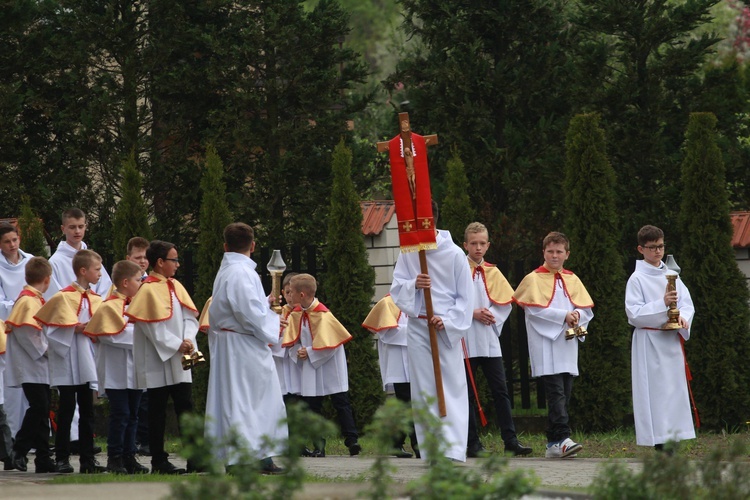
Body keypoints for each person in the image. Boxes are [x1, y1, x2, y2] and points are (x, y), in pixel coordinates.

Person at [389, 202, 474, 462]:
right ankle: (432, 449)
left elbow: (465, 297)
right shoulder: (409, 252)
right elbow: (396, 288)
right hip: (418, 325)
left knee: (451, 386)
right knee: (424, 387)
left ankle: (453, 448)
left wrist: (447, 321)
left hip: (444, 328)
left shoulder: (455, 254)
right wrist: (414, 284)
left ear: (431, 222)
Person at [205, 223, 287, 474]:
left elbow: (239, 306)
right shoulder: (240, 272)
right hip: (242, 347)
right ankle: (244, 459)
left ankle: (256, 457)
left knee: (252, 402)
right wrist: (274, 323)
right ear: (252, 245)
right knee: (246, 402)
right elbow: (246, 312)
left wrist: (265, 305)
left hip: (239, 343)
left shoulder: (231, 270)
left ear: (225, 246)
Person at [513, 232, 593, 459]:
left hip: (567, 343)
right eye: (550, 251)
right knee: (556, 393)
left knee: (564, 393)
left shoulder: (573, 279)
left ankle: (552, 444)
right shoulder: (533, 279)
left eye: (559, 252)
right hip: (546, 343)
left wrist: (577, 314)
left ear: (567, 254)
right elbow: (534, 310)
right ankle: (563, 438)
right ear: (543, 253)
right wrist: (564, 315)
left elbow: (586, 308)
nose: (554, 256)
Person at [125, 240, 199, 475]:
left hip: (180, 358)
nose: (177, 264)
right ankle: (159, 460)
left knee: (186, 407)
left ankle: (195, 457)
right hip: (158, 358)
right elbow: (150, 328)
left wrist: (188, 339)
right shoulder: (146, 289)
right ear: (160, 262)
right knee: (156, 411)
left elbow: (190, 317)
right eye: (173, 260)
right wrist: (178, 344)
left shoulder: (176, 286)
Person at [462, 222, 532, 458]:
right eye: (474, 243)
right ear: (466, 245)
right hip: (466, 340)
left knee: (500, 391)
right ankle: (472, 443)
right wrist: (472, 313)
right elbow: (451, 302)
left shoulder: (493, 271)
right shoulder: (458, 269)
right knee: (468, 393)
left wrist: (491, 316)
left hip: (489, 340)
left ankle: (510, 440)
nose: (478, 248)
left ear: (488, 244)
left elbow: (505, 302)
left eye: (482, 243)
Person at [34, 249, 105, 473]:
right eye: (97, 269)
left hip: (85, 358)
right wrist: (73, 329)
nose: (100, 273)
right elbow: (50, 328)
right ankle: (62, 458)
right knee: (66, 410)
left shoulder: (96, 298)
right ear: (83, 271)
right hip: (67, 358)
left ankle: (87, 460)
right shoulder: (63, 297)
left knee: (87, 410)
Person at [625, 225, 696, 450]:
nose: (658, 251)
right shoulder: (636, 279)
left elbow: (687, 303)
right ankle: (660, 442)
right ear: (640, 249)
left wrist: (683, 318)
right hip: (650, 342)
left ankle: (674, 439)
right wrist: (662, 304)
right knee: (656, 394)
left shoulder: (672, 274)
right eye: (652, 247)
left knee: (673, 392)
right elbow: (634, 314)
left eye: (661, 246)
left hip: (671, 342)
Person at [282, 273, 361, 457]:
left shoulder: (324, 315)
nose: (288, 295)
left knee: (341, 402)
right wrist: (298, 352)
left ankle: (352, 440)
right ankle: (319, 446)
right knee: (313, 406)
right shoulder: (295, 314)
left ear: (302, 294)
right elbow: (291, 342)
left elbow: (331, 345)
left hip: (330, 365)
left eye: (291, 292)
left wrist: (308, 352)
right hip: (311, 366)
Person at [84, 260, 149, 474]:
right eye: (138, 280)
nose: (141, 283)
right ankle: (115, 457)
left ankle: (130, 456)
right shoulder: (109, 306)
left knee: (133, 415)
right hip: (116, 371)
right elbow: (110, 335)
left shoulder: (136, 304)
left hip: (135, 370)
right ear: (125, 282)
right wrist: (142, 338)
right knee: (120, 414)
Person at [4, 257, 54, 473]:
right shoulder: (27, 301)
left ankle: (43, 457)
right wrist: (47, 351)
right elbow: (27, 333)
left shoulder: (34, 298)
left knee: (43, 410)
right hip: (31, 365)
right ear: (47, 279)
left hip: (38, 366)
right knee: (39, 408)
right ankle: (19, 448)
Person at [362, 294, 418, 458]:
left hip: (417, 360)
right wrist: (417, 330)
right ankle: (417, 444)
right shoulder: (387, 303)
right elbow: (387, 333)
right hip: (399, 364)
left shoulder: (420, 300)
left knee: (407, 403)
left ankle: (396, 443)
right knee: (407, 403)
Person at [0, 223, 31, 442]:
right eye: (6, 242)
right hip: (7, 330)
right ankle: (11, 439)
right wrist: (24, 306)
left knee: (32, 386)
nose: (12, 245)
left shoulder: (31, 261)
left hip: (31, 330)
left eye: (14, 240)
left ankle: (31, 440)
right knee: (11, 389)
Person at [124, 236, 151, 457]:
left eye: (145, 257)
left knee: (149, 395)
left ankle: (148, 438)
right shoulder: (124, 285)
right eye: (137, 257)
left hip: (151, 345)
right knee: (137, 398)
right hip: (130, 345)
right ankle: (137, 440)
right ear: (128, 258)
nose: (142, 262)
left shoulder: (152, 284)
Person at [48, 208, 112, 298]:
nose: (77, 231)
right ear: (63, 229)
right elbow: (55, 297)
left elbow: (106, 289)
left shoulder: (93, 258)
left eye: (81, 227)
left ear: (85, 227)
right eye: (72, 227)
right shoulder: (55, 262)